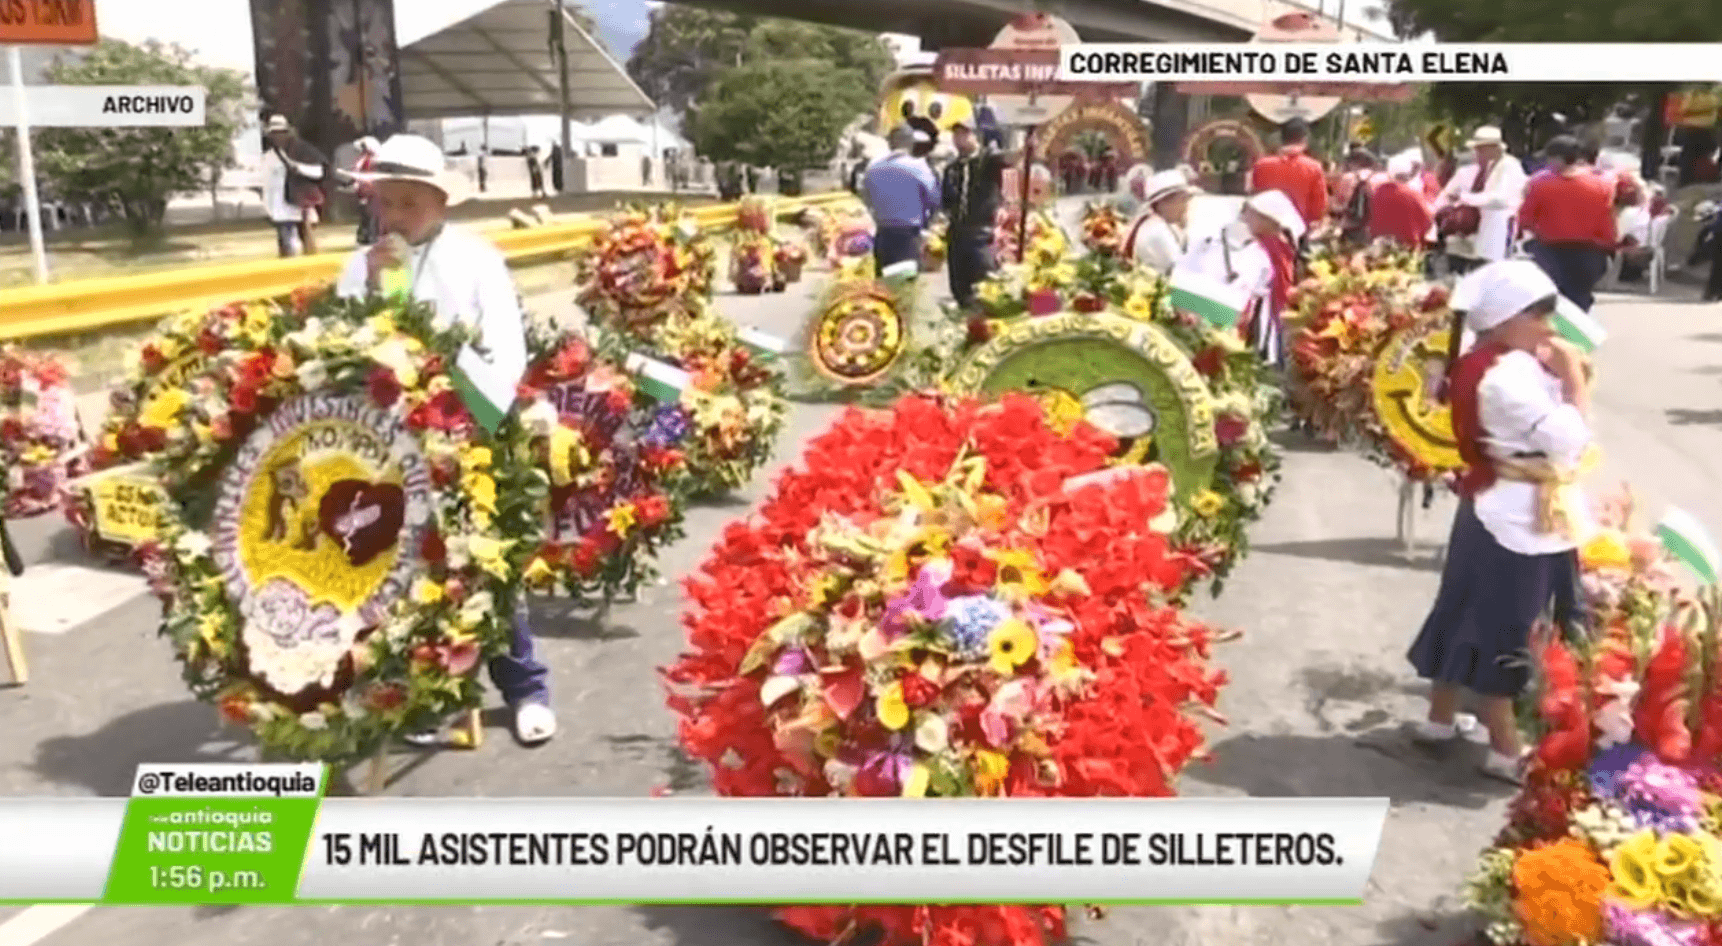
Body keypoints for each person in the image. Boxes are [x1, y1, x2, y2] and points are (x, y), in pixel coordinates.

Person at [336, 134, 557, 748]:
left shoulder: (477, 259)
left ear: (440, 202)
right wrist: (377, 294)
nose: (397, 217)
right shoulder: (360, 264)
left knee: (487, 565)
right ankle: (428, 695)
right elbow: (341, 349)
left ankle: (525, 690)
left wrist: (459, 395)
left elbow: (506, 351)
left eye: (411, 203)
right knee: (409, 574)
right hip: (390, 445)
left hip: (470, 434)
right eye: (388, 203)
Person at [1407, 259, 1591, 786]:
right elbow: (1572, 439)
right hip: (1517, 515)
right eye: (1540, 315)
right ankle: (1506, 749)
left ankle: (1441, 720)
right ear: (1508, 318)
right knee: (1505, 627)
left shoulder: (1483, 359)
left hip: (1493, 504)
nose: (1551, 327)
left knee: (1461, 607)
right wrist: (1575, 380)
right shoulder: (1507, 375)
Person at [1178, 189, 1303, 367]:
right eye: (1275, 226)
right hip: (1210, 325)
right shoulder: (1258, 254)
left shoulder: (1216, 233)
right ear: (1261, 218)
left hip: (1197, 319)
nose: (1276, 232)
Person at [1518, 135, 1615, 311]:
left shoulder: (1541, 184)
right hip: (1588, 254)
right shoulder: (1600, 185)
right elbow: (1606, 223)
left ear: (1556, 158)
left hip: (1550, 253)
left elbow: (1525, 220)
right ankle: (1576, 337)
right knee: (1579, 303)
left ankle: (1553, 336)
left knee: (1551, 304)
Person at [1433, 126, 1527, 276]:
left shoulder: (1510, 167)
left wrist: (1465, 198)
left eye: (1481, 149)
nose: (1477, 153)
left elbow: (1500, 200)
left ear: (1494, 148)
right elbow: (1445, 198)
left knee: (1493, 273)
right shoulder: (1481, 168)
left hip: (1498, 231)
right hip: (1475, 235)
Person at [940, 119, 1006, 309]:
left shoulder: (988, 161)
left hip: (981, 234)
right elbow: (946, 201)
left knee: (987, 287)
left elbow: (1009, 160)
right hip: (957, 234)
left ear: (976, 136)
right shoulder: (952, 168)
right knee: (960, 289)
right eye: (956, 135)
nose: (958, 139)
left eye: (964, 134)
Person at [862, 124, 939, 276]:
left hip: (883, 234)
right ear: (911, 143)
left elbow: (866, 197)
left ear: (890, 143)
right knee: (904, 286)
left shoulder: (873, 166)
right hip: (908, 236)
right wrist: (929, 221)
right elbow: (934, 198)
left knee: (883, 288)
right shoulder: (919, 167)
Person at [262, 115, 328, 258]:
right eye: (274, 133)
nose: (278, 137)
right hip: (280, 208)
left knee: (308, 246)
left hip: (301, 206)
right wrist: (267, 207)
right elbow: (267, 184)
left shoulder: (303, 150)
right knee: (287, 246)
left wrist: (298, 168)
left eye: (281, 132)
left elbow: (319, 172)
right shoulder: (269, 157)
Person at [1249, 117, 1328, 231]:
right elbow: (1319, 207)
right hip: (1296, 231)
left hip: (1264, 230)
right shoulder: (1314, 168)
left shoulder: (1261, 165)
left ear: (1281, 139)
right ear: (1304, 140)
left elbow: (1253, 196)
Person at [1123, 169, 1192, 275]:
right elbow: (1183, 272)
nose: (1186, 206)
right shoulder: (1158, 230)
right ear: (1163, 203)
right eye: (1183, 200)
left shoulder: (1150, 222)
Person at [1369, 152, 1435, 252]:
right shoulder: (1412, 194)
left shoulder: (1378, 191)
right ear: (1408, 173)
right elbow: (1428, 219)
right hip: (1407, 246)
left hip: (1379, 243)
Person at [350, 137, 380, 246]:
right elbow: (355, 171)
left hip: (372, 189)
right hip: (364, 190)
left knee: (372, 213)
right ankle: (366, 236)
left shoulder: (375, 159)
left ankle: (370, 236)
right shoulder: (362, 158)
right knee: (366, 213)